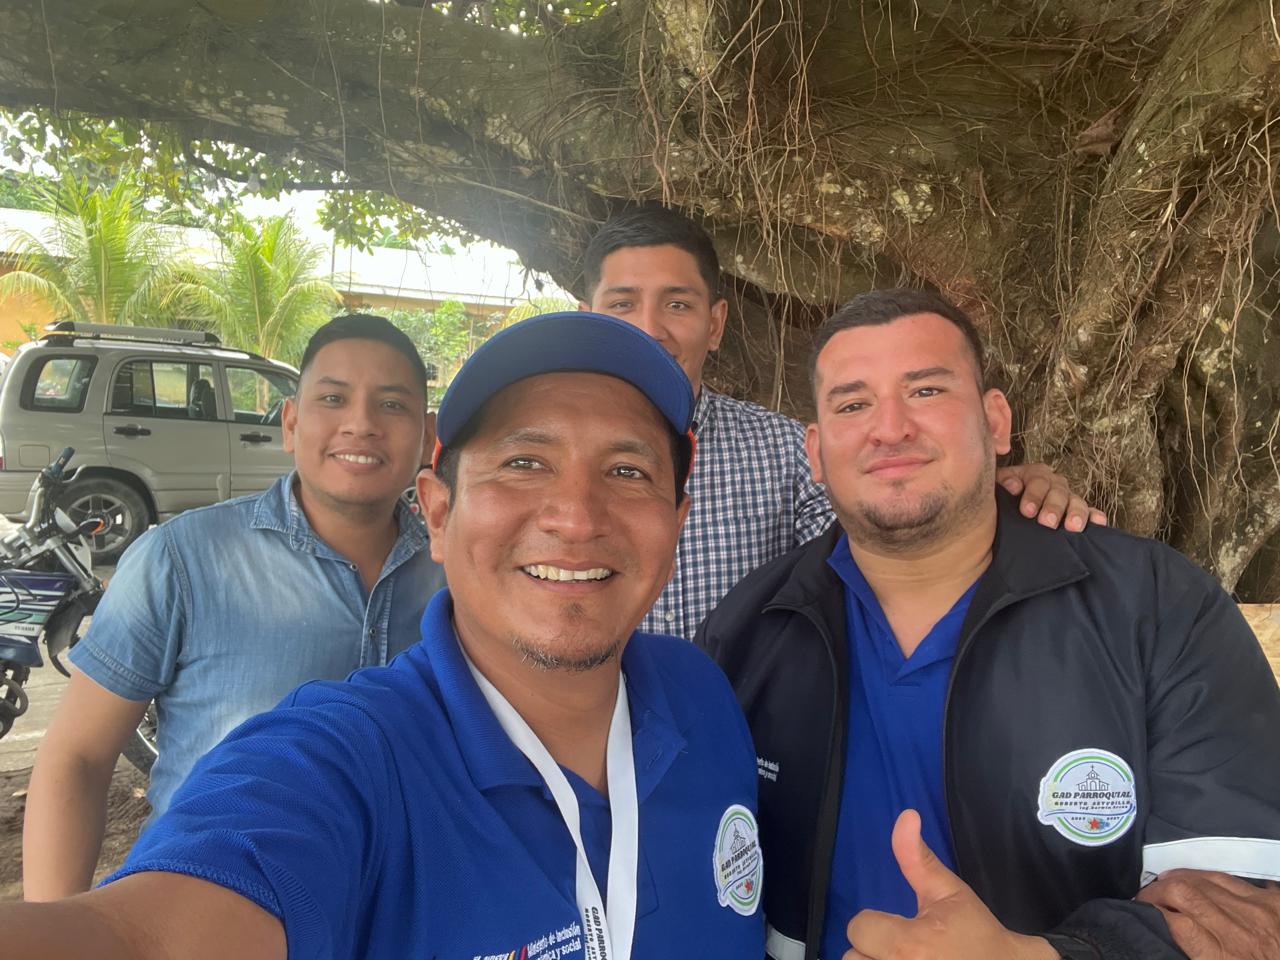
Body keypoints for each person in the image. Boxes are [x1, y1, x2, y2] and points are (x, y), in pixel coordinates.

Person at [2, 311, 765, 959]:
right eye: (525, 462)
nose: (575, 516)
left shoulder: (702, 696)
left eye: (627, 471)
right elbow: (140, 935)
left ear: (677, 522)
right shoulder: (338, 762)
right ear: (439, 514)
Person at [698, 288, 1280, 960]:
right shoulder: (745, 634)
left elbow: (1246, 911)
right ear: (816, 450)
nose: (890, 428)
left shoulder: (1155, 606)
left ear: (995, 421)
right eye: (852, 404)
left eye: (925, 391)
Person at [22, 313, 447, 900]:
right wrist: (59, 927)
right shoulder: (182, 560)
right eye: (332, 398)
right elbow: (79, 758)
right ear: (290, 424)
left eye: (392, 405)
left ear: (427, 438)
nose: (361, 424)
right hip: (210, 910)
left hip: (405, 913)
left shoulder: (460, 573)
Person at [581, 206, 1105, 639]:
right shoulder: (536, 456)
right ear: (586, 318)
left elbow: (894, 542)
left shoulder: (786, 453)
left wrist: (999, 495)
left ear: (715, 325)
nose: (649, 329)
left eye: (677, 304)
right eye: (622, 304)